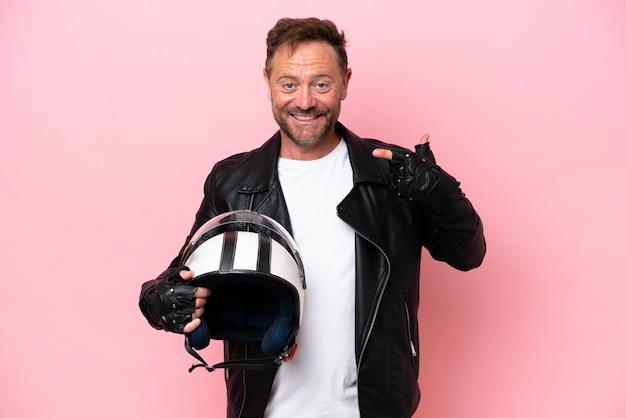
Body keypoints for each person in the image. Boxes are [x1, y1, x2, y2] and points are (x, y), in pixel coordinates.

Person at [139, 17, 486, 418]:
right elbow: (175, 281)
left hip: (375, 408)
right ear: (267, 81)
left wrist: (438, 191)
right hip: (265, 410)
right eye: (289, 84)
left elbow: (468, 253)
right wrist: (164, 300)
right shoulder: (232, 182)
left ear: (345, 82)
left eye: (321, 84)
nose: (304, 101)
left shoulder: (392, 174)